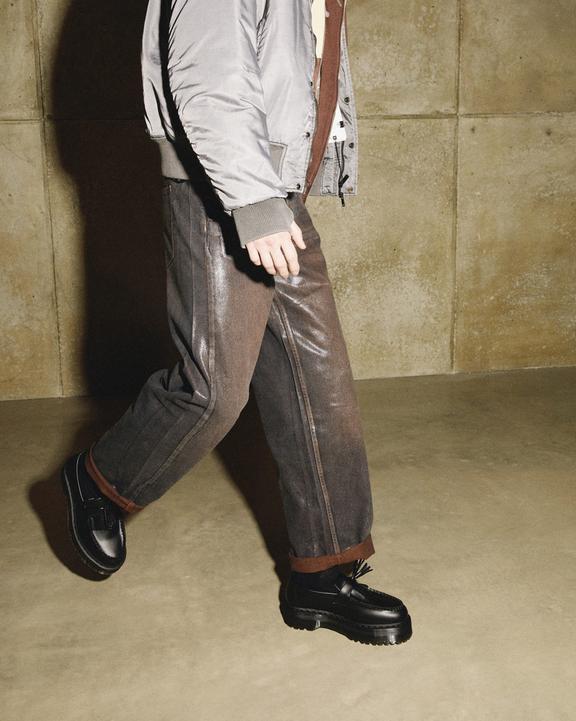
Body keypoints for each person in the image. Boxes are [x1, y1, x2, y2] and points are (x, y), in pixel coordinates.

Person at [60, 0, 412, 646]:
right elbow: (208, 70)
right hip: (219, 191)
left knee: (320, 384)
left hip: (272, 192)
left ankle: (323, 573)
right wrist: (251, 201)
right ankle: (101, 480)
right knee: (213, 388)